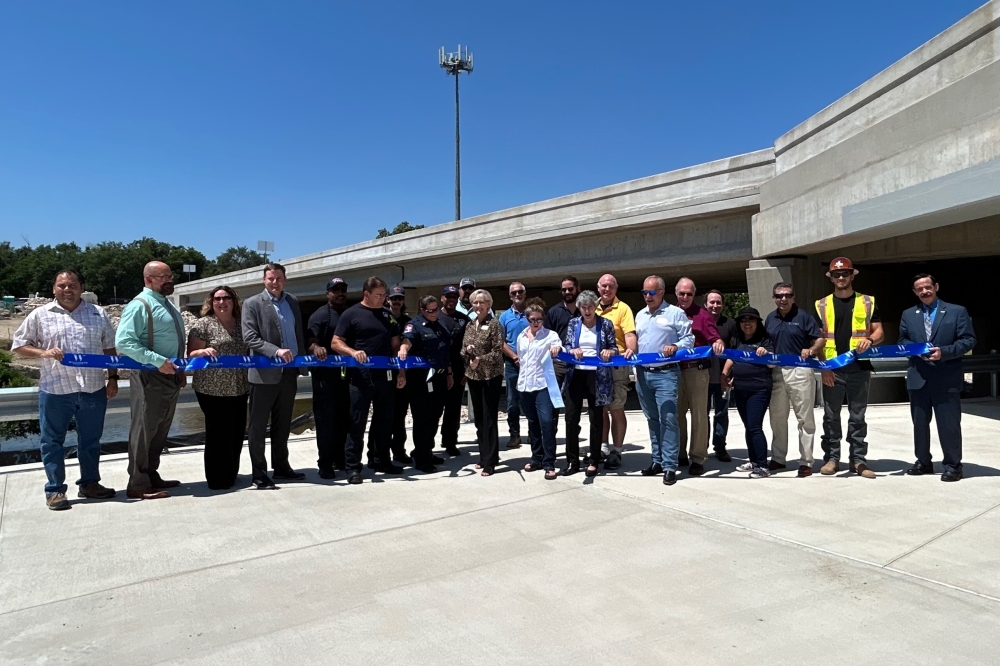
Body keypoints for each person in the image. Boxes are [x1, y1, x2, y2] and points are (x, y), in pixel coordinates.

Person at [12, 269, 119, 510]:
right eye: (62, 285)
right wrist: (43, 353)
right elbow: (19, 345)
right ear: (54, 288)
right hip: (55, 390)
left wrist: (113, 378)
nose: (67, 289)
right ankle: (55, 490)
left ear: (82, 287)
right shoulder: (40, 315)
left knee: (91, 441)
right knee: (52, 441)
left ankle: (90, 483)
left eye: (72, 285)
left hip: (92, 388)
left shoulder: (98, 313)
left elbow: (109, 348)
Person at [115, 260, 186, 500]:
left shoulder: (166, 304)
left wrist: (179, 369)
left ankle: (151, 475)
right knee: (144, 431)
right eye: (163, 277)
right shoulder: (140, 305)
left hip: (170, 376)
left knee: (159, 430)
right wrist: (157, 361)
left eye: (170, 276)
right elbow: (124, 341)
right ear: (148, 279)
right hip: (150, 376)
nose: (169, 280)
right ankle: (137, 483)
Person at [898, 274, 976, 482]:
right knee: (919, 424)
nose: (924, 291)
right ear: (915, 292)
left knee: (949, 424)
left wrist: (945, 352)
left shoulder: (957, 311)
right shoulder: (908, 314)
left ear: (936, 287)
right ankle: (923, 461)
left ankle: (953, 465)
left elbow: (968, 340)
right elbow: (902, 340)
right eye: (919, 289)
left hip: (946, 377)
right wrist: (915, 350)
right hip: (918, 377)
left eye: (927, 287)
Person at [332, 276, 406, 484]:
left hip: (386, 378)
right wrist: (352, 352)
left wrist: (401, 372)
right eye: (379, 295)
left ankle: (382, 460)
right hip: (360, 378)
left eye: (384, 295)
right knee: (356, 423)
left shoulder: (387, 315)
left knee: (385, 422)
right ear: (367, 294)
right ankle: (353, 467)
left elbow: (395, 345)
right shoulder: (351, 314)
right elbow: (336, 342)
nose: (383, 299)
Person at [816, 257, 884, 479]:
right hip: (833, 369)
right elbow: (818, 339)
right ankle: (832, 459)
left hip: (859, 368)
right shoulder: (821, 304)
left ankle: (858, 460)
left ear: (852, 275)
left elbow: (879, 331)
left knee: (858, 416)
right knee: (830, 416)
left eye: (845, 273)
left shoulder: (867, 302)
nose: (841, 277)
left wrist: (870, 340)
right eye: (836, 275)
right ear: (831, 278)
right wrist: (824, 367)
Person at [242, 263, 308, 489]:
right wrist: (276, 351)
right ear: (264, 280)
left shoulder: (292, 302)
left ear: (285, 280)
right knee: (258, 428)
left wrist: (302, 362)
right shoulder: (252, 304)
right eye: (270, 278)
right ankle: (259, 474)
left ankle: (281, 467)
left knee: (283, 425)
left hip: (289, 373)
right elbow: (249, 337)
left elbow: (298, 333)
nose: (275, 282)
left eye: (279, 278)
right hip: (263, 375)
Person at [187, 285, 250, 490]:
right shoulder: (203, 324)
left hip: (239, 387)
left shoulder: (242, 324)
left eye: (226, 298)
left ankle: (231, 474)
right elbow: (190, 354)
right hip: (211, 389)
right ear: (211, 302)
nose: (222, 302)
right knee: (218, 433)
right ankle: (217, 479)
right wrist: (203, 351)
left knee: (236, 432)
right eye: (217, 299)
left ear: (233, 301)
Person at [633, 276, 694, 486]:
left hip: (666, 373)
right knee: (652, 419)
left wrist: (676, 346)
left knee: (668, 419)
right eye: (644, 292)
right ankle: (657, 460)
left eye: (651, 292)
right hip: (643, 374)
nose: (647, 296)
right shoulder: (640, 315)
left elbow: (689, 339)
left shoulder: (675, 313)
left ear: (661, 292)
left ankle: (670, 466)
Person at [764, 282, 824, 477]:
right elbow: (767, 342)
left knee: (805, 418)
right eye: (779, 296)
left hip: (800, 370)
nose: (783, 299)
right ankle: (778, 458)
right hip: (777, 371)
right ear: (774, 298)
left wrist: (811, 350)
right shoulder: (770, 318)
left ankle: (806, 461)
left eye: (787, 295)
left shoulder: (804, 316)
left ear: (793, 297)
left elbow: (820, 339)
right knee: (777, 417)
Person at [561, 290, 616, 477]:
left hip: (597, 376)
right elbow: (567, 344)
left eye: (590, 306)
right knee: (571, 418)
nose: (587, 310)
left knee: (596, 419)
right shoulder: (573, 323)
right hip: (576, 374)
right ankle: (572, 461)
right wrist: (572, 350)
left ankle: (594, 460)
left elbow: (614, 347)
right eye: (583, 307)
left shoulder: (606, 324)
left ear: (595, 307)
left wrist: (609, 352)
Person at [674, 278, 725, 475]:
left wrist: (718, 342)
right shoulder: (670, 313)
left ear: (694, 295)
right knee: (675, 415)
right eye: (682, 293)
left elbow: (715, 337)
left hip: (696, 370)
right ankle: (679, 454)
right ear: (676, 294)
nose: (685, 297)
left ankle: (697, 458)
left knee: (699, 415)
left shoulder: (703, 315)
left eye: (689, 294)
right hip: (673, 370)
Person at [398, 296, 454, 473]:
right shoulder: (414, 325)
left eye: (436, 309)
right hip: (421, 379)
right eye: (430, 311)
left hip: (440, 376)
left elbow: (444, 350)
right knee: (423, 418)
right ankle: (422, 459)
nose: (434, 313)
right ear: (422, 310)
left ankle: (426, 450)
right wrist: (403, 349)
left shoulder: (441, 324)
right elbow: (407, 341)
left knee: (435, 415)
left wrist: (449, 373)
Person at [721, 308, 776, 479]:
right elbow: (731, 358)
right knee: (748, 427)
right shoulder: (737, 340)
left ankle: (763, 466)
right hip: (740, 388)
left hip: (759, 389)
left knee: (754, 427)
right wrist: (724, 375)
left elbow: (772, 364)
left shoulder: (764, 340)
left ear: (757, 322)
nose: (747, 323)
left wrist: (766, 354)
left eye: (751, 319)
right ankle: (753, 461)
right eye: (743, 320)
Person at [306, 277, 351, 478]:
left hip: (347, 377)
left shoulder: (350, 314)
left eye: (343, 289)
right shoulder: (320, 315)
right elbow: (310, 342)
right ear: (328, 294)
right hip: (325, 378)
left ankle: (340, 459)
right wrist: (316, 348)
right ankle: (324, 463)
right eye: (335, 290)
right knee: (326, 421)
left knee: (344, 419)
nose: (340, 293)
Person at [515, 299, 563, 480]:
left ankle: (549, 462)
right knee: (532, 422)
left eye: (539, 319)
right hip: (524, 385)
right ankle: (536, 458)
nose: (536, 323)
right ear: (527, 319)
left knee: (547, 422)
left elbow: (559, 346)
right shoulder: (521, 336)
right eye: (532, 319)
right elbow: (521, 358)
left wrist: (557, 348)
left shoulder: (550, 335)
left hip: (543, 385)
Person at [595, 274, 638, 470]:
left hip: (617, 366)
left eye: (610, 286)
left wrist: (631, 349)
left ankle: (617, 451)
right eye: (603, 286)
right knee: (600, 408)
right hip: (596, 367)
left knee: (616, 408)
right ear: (598, 288)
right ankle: (602, 447)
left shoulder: (623, 308)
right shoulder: (591, 307)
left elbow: (629, 334)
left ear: (616, 288)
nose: (607, 289)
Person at [461, 289, 506, 476]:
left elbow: (497, 352)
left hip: (490, 376)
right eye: (475, 302)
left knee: (489, 418)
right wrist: (468, 351)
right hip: (474, 376)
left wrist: (480, 359)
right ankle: (484, 455)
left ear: (488, 304)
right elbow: (462, 349)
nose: (478, 306)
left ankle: (490, 461)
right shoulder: (470, 325)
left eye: (481, 302)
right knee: (479, 418)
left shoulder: (494, 324)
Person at [544, 276, 580, 435]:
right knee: (553, 403)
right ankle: (550, 440)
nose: (567, 292)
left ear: (577, 289)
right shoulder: (554, 312)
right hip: (558, 364)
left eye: (570, 289)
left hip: (579, 363)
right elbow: (545, 337)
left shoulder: (585, 310)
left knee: (574, 405)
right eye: (564, 289)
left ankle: (572, 439)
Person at [704, 290, 737, 462]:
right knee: (702, 415)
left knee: (721, 414)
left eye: (718, 302)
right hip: (702, 378)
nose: (715, 305)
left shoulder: (730, 324)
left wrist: (728, 374)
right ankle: (701, 447)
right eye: (712, 302)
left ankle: (720, 446)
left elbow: (735, 351)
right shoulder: (699, 322)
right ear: (705, 304)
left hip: (723, 377)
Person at [439, 285, 469, 457]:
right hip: (438, 369)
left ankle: (450, 441)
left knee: (453, 408)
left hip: (458, 369)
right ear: (442, 298)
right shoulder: (435, 317)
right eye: (448, 296)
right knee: (434, 408)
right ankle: (426, 445)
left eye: (454, 297)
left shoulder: (463, 319)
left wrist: (467, 369)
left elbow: (468, 345)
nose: (451, 300)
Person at [384, 285, 413, 465]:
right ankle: (378, 454)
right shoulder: (382, 317)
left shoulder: (408, 321)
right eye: (393, 298)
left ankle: (399, 451)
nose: (396, 301)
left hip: (403, 373)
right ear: (387, 299)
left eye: (399, 298)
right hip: (384, 373)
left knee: (400, 415)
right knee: (384, 416)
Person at [499, 281, 529, 449]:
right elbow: (501, 341)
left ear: (525, 293)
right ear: (510, 296)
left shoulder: (532, 313)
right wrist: (514, 356)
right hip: (512, 363)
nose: (517, 295)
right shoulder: (504, 317)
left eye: (520, 291)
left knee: (531, 399)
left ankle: (533, 434)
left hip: (531, 363)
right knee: (512, 401)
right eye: (514, 293)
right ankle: (514, 435)